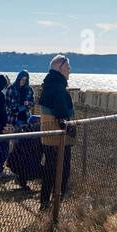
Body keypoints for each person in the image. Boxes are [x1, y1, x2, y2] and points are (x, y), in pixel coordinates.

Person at [38, 55, 74, 210]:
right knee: (63, 172)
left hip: (48, 136)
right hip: (60, 139)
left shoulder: (47, 86)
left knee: (49, 171)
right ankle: (56, 205)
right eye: (67, 67)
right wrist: (71, 129)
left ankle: (45, 203)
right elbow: (61, 114)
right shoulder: (59, 88)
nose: (70, 71)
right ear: (60, 68)